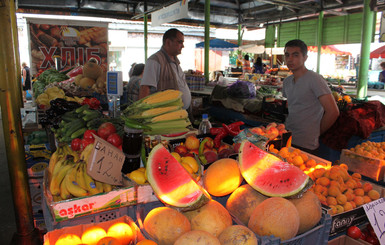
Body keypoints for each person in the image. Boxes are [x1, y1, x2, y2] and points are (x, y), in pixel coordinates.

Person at [282, 39, 339, 154]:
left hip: (306, 144)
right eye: (287, 55)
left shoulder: (315, 79)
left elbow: (333, 111)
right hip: (288, 138)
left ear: (305, 58)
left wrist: (317, 132)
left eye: (295, 55)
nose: (290, 59)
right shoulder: (287, 81)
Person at [139, 28, 191, 109]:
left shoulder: (176, 62)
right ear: (168, 42)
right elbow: (145, 88)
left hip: (179, 114)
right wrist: (141, 111)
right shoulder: (155, 60)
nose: (183, 46)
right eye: (180, 42)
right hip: (164, 116)